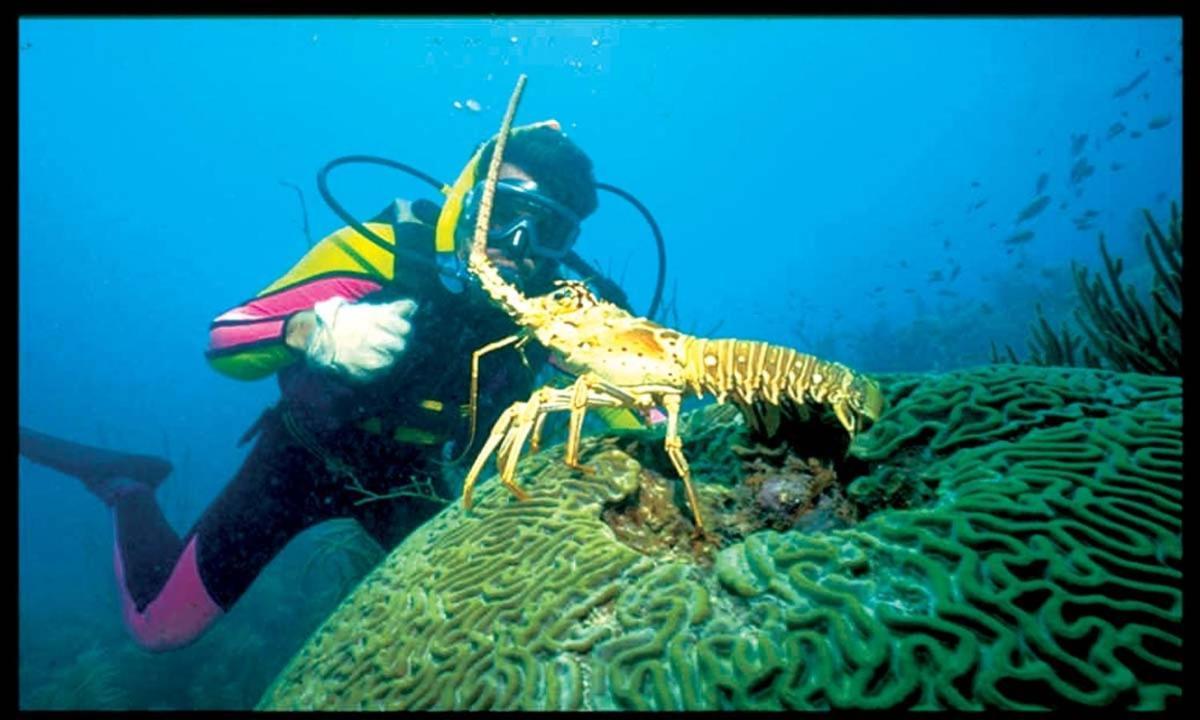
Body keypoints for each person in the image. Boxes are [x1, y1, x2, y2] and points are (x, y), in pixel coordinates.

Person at [19, 119, 642, 652]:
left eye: (547, 231)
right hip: (303, 454)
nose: (517, 245)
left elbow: (626, 404)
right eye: (503, 211)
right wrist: (310, 332)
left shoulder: (561, 309)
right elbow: (225, 338)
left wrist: (644, 417)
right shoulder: (383, 251)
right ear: (465, 199)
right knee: (160, 630)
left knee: (474, 622)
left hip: (410, 475)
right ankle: (129, 486)